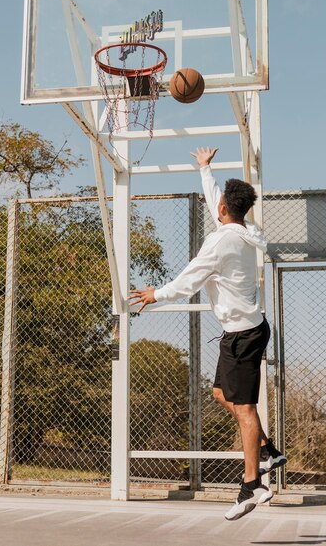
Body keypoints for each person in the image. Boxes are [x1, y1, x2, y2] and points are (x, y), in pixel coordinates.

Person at [128, 147, 286, 521]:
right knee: (220, 393)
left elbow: (188, 281)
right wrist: (205, 169)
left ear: (222, 212)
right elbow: (219, 200)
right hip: (247, 329)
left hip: (242, 335)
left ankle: (253, 485)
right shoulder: (248, 231)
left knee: (245, 409)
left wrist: (156, 294)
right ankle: (267, 452)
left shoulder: (219, 242)